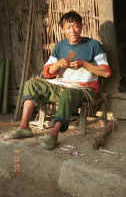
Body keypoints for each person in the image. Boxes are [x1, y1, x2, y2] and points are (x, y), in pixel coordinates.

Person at [6, 10, 111, 149]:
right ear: (62, 30)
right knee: (31, 84)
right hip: (61, 86)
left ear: (82, 26)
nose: (72, 31)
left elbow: (106, 72)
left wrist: (84, 64)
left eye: (76, 26)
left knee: (69, 93)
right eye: (68, 27)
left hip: (83, 89)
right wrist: (57, 65)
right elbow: (47, 72)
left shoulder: (93, 45)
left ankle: (53, 135)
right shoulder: (60, 46)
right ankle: (24, 127)